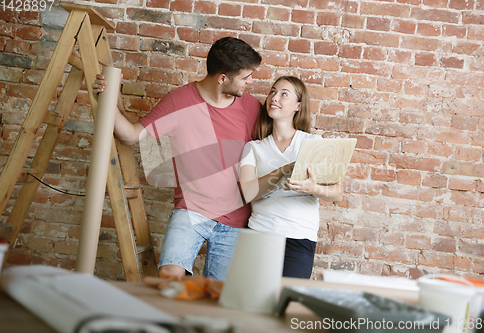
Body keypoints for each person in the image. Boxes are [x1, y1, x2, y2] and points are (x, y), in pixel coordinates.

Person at [93, 37, 262, 281]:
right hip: (192, 211)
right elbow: (130, 136)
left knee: (220, 295)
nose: (251, 82)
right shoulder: (179, 101)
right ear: (222, 78)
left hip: (236, 218)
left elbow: (269, 151)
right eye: (246, 77)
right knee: (169, 276)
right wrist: (107, 99)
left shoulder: (251, 107)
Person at [239, 76, 344, 279]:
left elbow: (337, 193)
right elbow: (248, 193)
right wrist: (285, 170)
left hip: (299, 238)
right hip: (259, 234)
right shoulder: (252, 148)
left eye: (283, 94)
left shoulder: (313, 143)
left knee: (285, 305)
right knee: (252, 305)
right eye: (272, 92)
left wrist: (314, 189)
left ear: (298, 106)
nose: (274, 97)